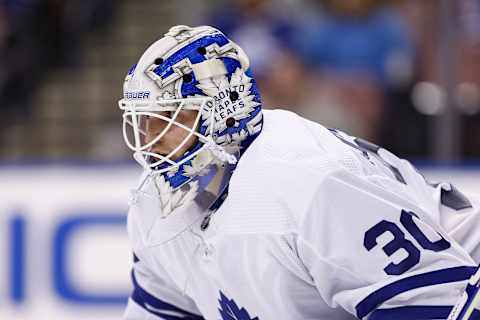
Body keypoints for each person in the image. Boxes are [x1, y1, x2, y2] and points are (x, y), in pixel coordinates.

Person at [118, 25, 480, 320]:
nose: (151, 140)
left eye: (171, 118)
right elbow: (162, 310)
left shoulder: (304, 179)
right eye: (143, 122)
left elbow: (433, 301)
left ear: (223, 111)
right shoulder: (153, 203)